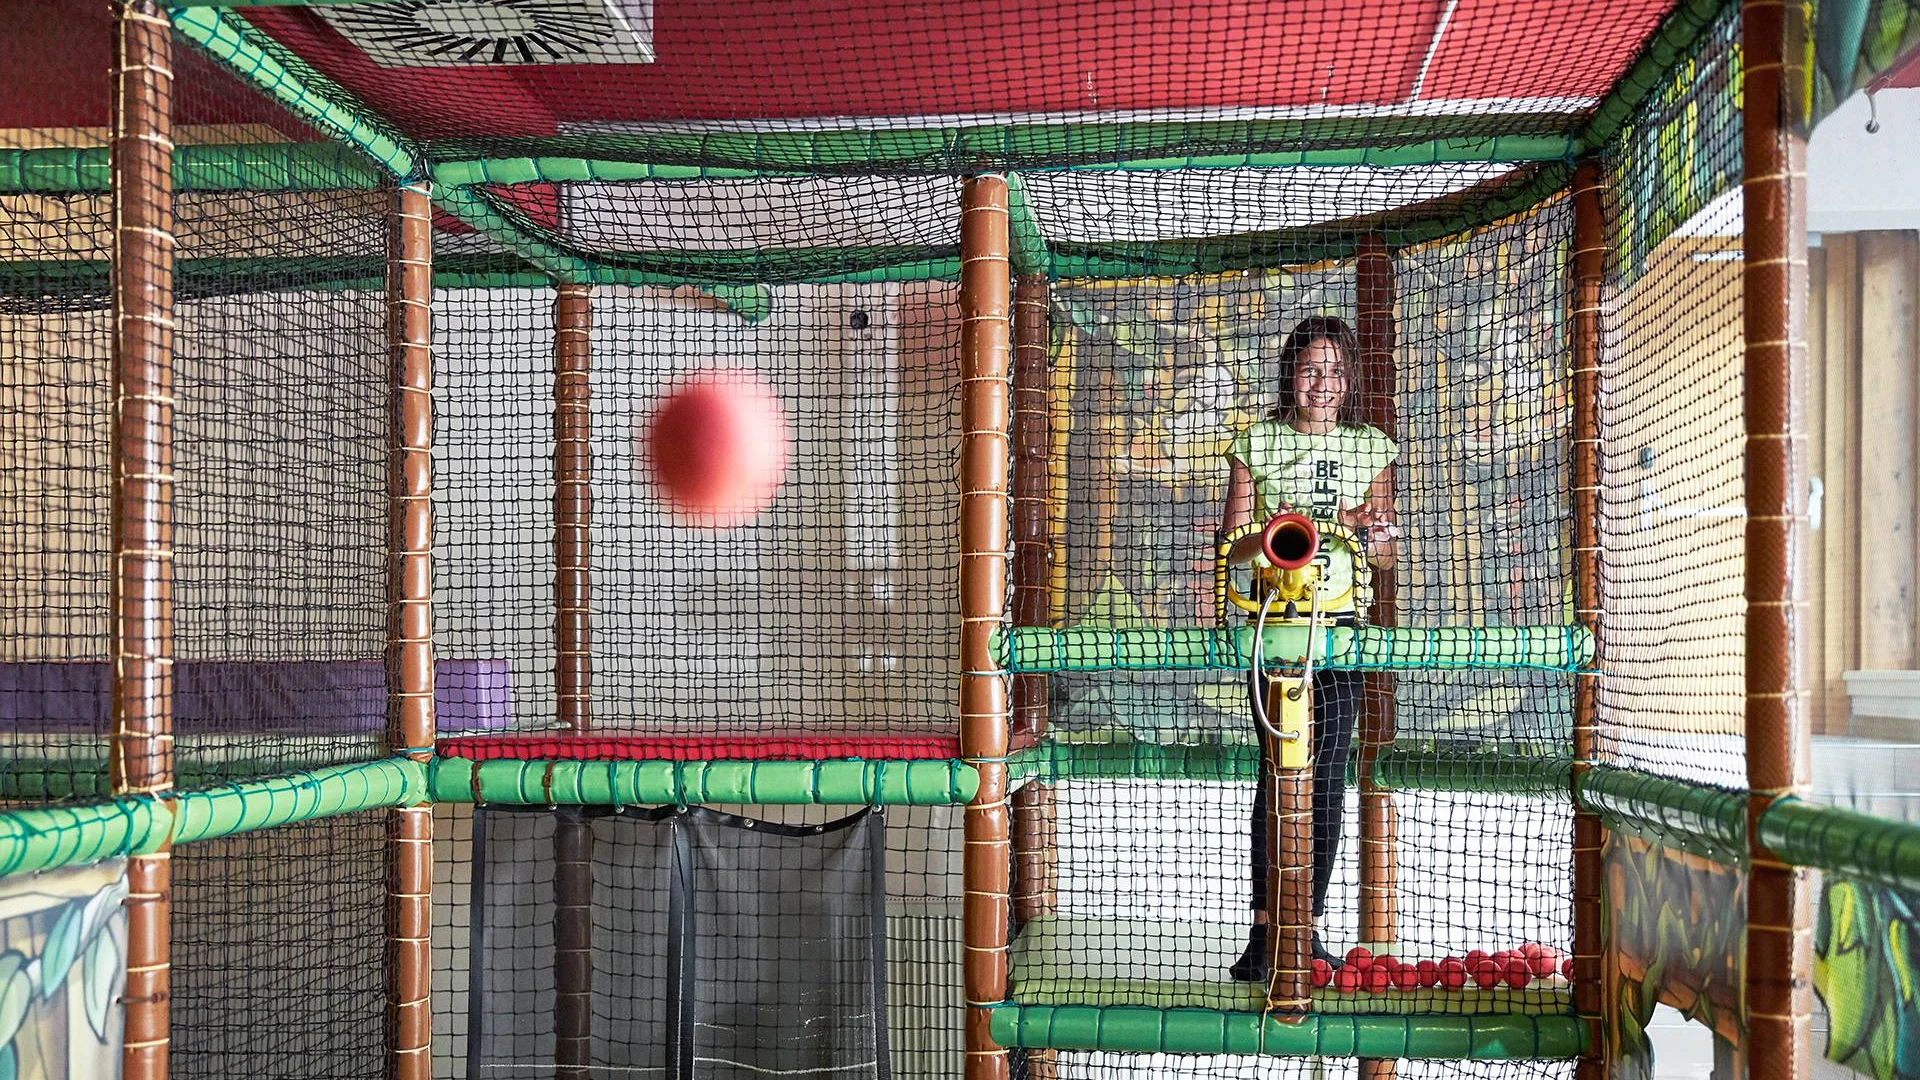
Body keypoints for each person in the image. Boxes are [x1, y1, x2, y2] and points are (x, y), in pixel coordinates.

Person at [1220, 315, 1397, 981]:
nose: (1322, 382)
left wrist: (1371, 531)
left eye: (1335, 370)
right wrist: (1278, 531)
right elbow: (1231, 543)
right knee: (1277, 773)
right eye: (1310, 367)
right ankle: (1265, 932)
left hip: (1341, 631)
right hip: (1272, 629)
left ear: (1350, 381)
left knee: (1324, 773)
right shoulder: (1256, 443)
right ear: (1290, 374)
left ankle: (1308, 925)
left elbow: (1384, 552)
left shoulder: (1371, 448)